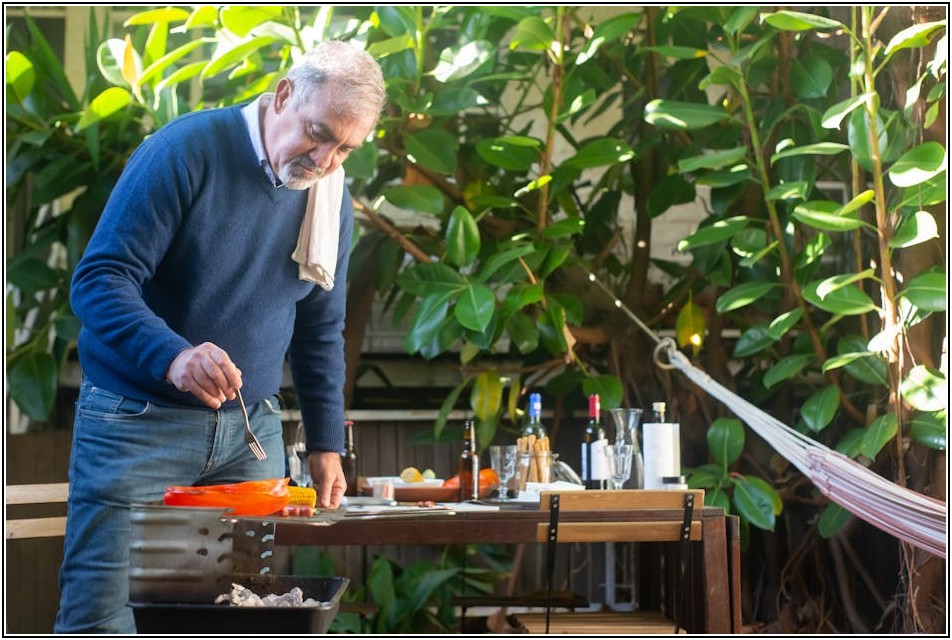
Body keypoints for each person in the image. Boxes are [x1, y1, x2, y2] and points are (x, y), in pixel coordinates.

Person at [55, 41, 386, 634]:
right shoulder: (183, 151)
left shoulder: (330, 196)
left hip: (250, 435)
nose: (325, 158)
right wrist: (174, 356)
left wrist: (326, 444)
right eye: (318, 133)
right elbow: (99, 281)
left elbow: (320, 329)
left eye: (345, 148)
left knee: (233, 622)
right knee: (101, 620)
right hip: (137, 422)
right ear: (284, 94)